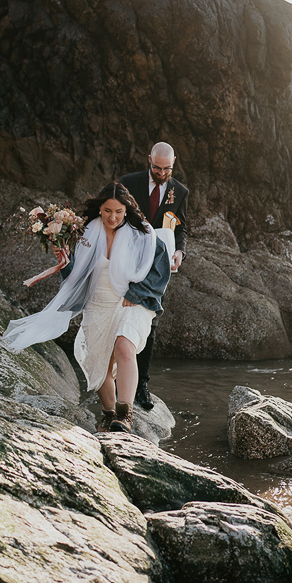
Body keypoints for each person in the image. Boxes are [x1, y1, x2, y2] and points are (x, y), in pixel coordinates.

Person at [3, 182, 171, 433]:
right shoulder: (86, 234)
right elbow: (77, 277)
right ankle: (110, 414)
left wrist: (137, 293)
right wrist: (65, 262)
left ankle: (126, 415)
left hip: (130, 301)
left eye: (118, 212)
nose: (112, 217)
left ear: (127, 210)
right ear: (99, 209)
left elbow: (161, 267)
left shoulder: (142, 234)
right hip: (98, 303)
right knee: (99, 365)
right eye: (107, 211)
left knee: (125, 346)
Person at [120, 142, 188, 410]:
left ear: (174, 163)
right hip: (127, 258)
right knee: (121, 312)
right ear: (149, 160)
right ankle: (117, 378)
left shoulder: (180, 191)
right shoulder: (128, 183)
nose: (161, 173)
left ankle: (141, 385)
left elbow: (181, 228)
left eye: (167, 169)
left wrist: (180, 252)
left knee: (150, 320)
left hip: (158, 266)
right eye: (157, 168)